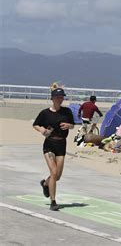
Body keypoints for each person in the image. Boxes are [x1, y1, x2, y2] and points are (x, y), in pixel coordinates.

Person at [33, 83, 74, 211]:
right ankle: (53, 201)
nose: (60, 99)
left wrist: (68, 125)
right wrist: (42, 130)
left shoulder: (67, 111)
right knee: (54, 172)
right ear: (52, 98)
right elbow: (36, 124)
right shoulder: (45, 113)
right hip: (49, 143)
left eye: (62, 97)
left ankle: (45, 183)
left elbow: (72, 125)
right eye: (57, 97)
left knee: (57, 177)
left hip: (62, 144)